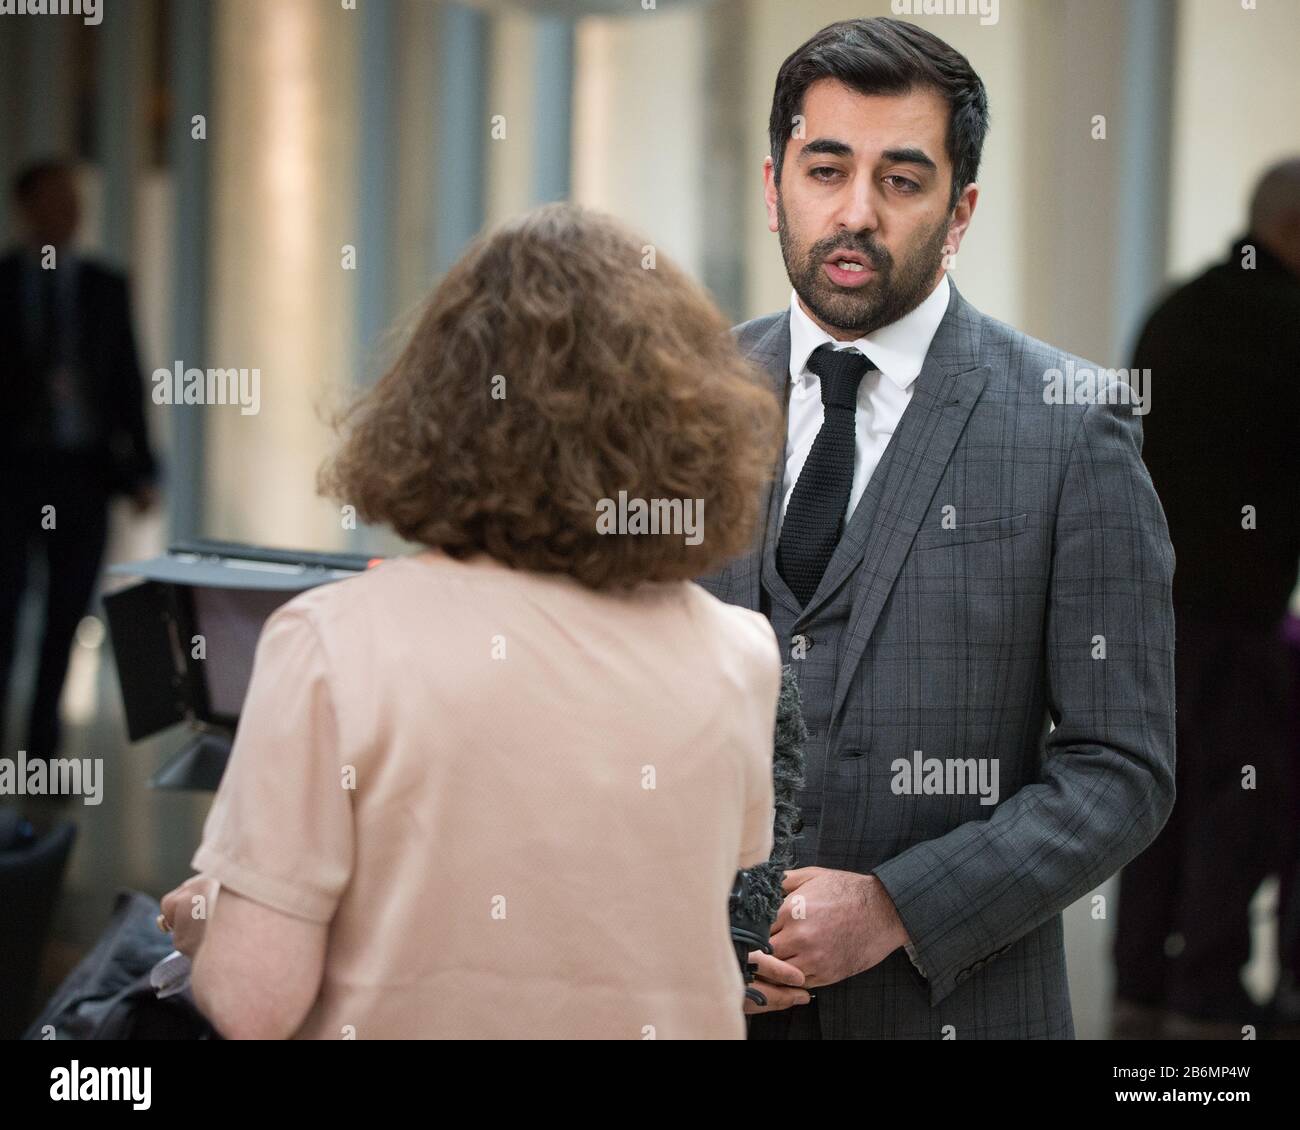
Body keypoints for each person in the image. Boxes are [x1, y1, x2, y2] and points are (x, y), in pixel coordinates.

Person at [159, 203, 790, 1039]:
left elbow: (253, 1000)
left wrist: (213, 921)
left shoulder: (330, 644)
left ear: (435, 408)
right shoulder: (737, 654)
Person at [698, 17, 1176, 1039]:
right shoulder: (681, 405)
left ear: (958, 212)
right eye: (825, 169)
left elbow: (1122, 768)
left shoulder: (1070, 424)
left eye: (901, 180)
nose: (855, 212)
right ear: (774, 179)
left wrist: (893, 907)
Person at [1113, 158, 1300, 1039]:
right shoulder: (1287, 323)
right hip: (1240, 611)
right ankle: (1208, 989)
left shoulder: (1175, 312)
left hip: (1152, 607)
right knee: (1241, 802)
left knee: (1159, 797)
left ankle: (1140, 978)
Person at [0, 159, 158, 774]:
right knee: (5, 612)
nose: (70, 210)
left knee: (67, 616)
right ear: (26, 206)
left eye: (75, 198)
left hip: (82, 477)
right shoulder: (6, 283)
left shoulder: (103, 285)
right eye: (56, 198)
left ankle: (41, 757)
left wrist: (141, 468)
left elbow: (126, 380)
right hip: (12, 476)